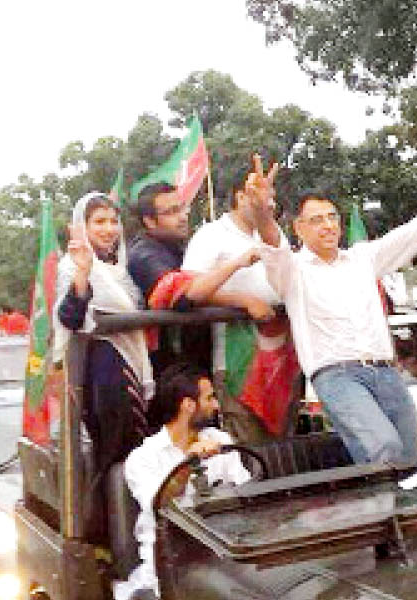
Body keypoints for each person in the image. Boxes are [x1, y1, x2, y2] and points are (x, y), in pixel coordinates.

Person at [251, 157, 417, 464]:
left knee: (412, 459)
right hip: (337, 377)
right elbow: (272, 241)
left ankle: (410, 513)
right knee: (383, 449)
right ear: (299, 228)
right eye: (317, 220)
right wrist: (262, 210)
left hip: (386, 372)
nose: (328, 225)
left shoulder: (363, 259)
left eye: (332, 216)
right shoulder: (292, 270)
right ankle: (381, 512)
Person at [54, 192, 154, 542]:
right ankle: (110, 541)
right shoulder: (72, 265)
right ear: (82, 226)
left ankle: (139, 536)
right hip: (105, 373)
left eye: (113, 221)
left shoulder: (119, 270)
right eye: (99, 221)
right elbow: (70, 317)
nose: (109, 229)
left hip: (132, 367)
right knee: (114, 455)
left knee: (136, 452)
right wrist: (83, 273)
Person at [183, 156, 300, 443]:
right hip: (239, 363)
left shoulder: (273, 233)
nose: (268, 204)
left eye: (271, 197)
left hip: (281, 358)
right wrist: (242, 301)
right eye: (260, 196)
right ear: (240, 196)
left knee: (283, 450)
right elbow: (188, 291)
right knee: (251, 451)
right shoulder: (211, 235)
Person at [117, 362, 250, 600]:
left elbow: (248, 495)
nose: (217, 405)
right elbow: (161, 507)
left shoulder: (220, 440)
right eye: (210, 398)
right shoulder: (142, 459)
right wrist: (188, 465)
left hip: (227, 554)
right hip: (171, 562)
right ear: (188, 405)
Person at [127, 183, 271, 380]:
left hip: (194, 361)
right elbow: (185, 294)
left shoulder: (177, 247)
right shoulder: (145, 256)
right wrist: (243, 294)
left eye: (183, 207)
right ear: (150, 221)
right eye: (172, 212)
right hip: (168, 370)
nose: (183, 216)